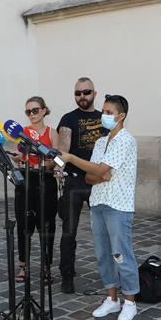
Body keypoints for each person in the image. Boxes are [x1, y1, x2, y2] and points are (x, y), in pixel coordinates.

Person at [60, 95, 139, 320]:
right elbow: (92, 176)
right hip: (98, 203)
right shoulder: (100, 142)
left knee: (120, 253)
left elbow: (102, 169)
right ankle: (112, 298)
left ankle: (130, 301)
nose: (103, 116)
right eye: (103, 111)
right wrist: (98, 173)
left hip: (118, 205)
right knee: (103, 254)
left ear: (120, 115)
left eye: (108, 112)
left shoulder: (126, 140)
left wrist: (75, 158)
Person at [55, 77, 103, 293]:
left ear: (95, 93)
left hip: (98, 181)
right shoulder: (68, 119)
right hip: (74, 180)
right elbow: (62, 151)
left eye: (86, 92)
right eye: (78, 93)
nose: (82, 96)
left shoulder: (105, 118)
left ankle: (111, 273)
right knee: (69, 231)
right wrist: (57, 170)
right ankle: (67, 275)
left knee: (105, 230)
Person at [13, 96, 59, 283]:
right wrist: (18, 158)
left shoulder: (52, 132)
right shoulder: (23, 132)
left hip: (46, 181)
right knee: (24, 224)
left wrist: (46, 164)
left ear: (43, 111)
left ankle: (46, 267)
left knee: (46, 225)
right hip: (26, 181)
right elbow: (20, 156)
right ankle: (23, 266)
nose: (31, 114)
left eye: (34, 110)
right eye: (28, 111)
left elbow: (56, 158)